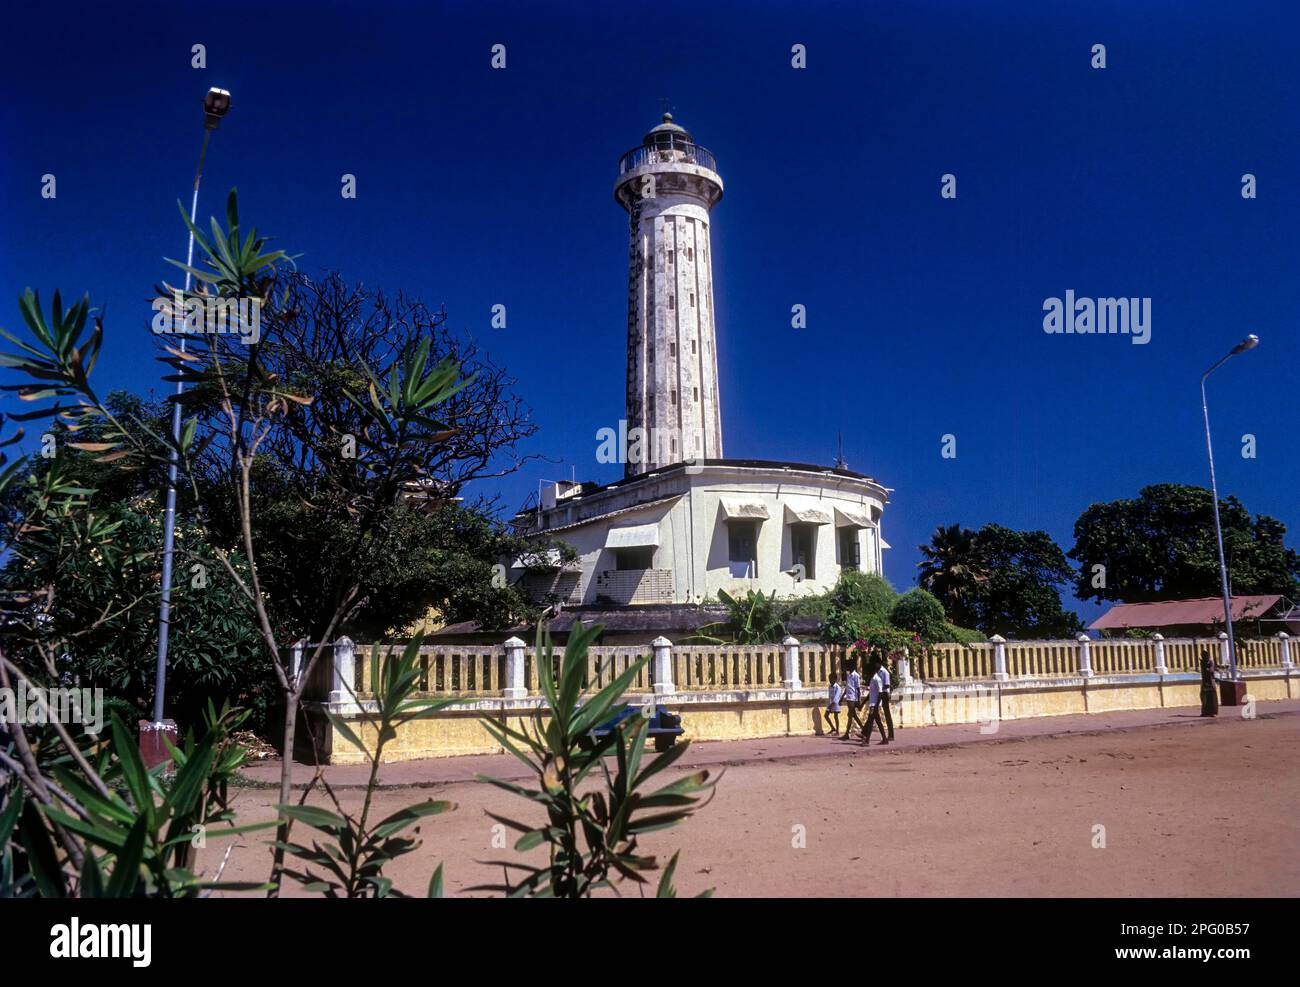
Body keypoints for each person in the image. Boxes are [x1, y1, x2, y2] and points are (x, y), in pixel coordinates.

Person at [861, 659, 890, 745]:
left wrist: (876, 705)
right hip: (872, 703)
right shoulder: (872, 679)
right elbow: (871, 693)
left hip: (874, 704)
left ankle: (867, 740)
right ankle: (885, 739)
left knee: (870, 722)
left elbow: (880, 693)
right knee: (878, 721)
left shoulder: (877, 679)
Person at [842, 661, 864, 739]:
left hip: (853, 698)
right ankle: (864, 729)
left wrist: (859, 700)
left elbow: (858, 689)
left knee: (850, 716)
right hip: (848, 697)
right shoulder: (849, 675)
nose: (846, 667)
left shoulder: (856, 676)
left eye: (847, 666)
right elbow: (847, 687)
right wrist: (842, 697)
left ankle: (847, 734)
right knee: (853, 715)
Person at [877, 655, 895, 741]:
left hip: (884, 694)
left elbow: (887, 684)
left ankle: (891, 734)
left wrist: (880, 688)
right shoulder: (878, 672)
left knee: (887, 714)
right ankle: (865, 732)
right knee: (873, 712)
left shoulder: (884, 672)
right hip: (879, 693)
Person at [1200, 649, 1219, 718]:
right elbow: (1204, 670)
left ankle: (1213, 712)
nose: (1203, 657)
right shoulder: (1202, 662)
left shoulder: (1211, 662)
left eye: (1204, 655)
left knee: (1212, 698)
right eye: (1202, 656)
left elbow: (1211, 670)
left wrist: (1208, 668)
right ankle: (1205, 712)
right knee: (1204, 698)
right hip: (1205, 682)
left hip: (1211, 681)